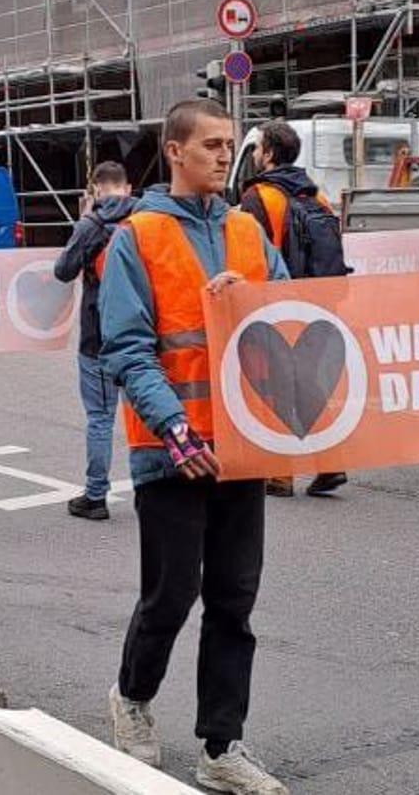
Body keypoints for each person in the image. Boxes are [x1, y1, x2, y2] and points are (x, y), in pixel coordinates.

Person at [99, 100, 291, 795]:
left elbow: (296, 312)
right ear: (174, 151)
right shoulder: (138, 236)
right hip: (170, 450)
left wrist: (254, 293)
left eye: (230, 144)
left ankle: (221, 745)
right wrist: (175, 428)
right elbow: (127, 345)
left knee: (235, 598)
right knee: (172, 593)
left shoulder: (246, 229)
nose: (223, 154)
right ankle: (131, 696)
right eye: (210, 143)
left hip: (239, 445)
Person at [239, 120, 349, 499]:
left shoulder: (260, 197)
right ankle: (331, 462)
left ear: (268, 154)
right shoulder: (314, 195)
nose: (253, 155)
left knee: (275, 386)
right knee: (305, 380)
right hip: (316, 302)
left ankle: (280, 474)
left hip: (276, 304)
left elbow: (250, 254)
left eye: (256, 149)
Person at [52, 161, 139, 521]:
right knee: (148, 415)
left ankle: (96, 495)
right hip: (142, 333)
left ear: (96, 190)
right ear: (128, 188)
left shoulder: (92, 225)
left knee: (100, 417)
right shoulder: (147, 219)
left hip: (98, 336)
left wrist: (85, 221)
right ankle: (154, 488)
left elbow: (63, 270)